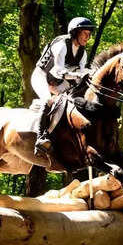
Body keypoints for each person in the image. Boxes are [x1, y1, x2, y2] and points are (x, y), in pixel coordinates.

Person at [31, 17, 96, 156]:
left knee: (72, 101)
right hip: (42, 76)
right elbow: (57, 71)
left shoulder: (82, 52)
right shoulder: (61, 45)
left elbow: (81, 73)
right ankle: (40, 138)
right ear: (75, 32)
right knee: (48, 100)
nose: (88, 37)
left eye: (89, 34)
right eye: (85, 33)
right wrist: (79, 75)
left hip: (60, 83)